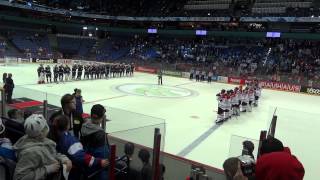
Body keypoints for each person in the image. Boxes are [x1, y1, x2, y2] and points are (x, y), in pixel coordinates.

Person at [50, 114, 109, 180]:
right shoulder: (68, 140)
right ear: (67, 126)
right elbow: (80, 156)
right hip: (72, 174)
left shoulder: (51, 135)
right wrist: (99, 162)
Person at [13, 114, 72, 180]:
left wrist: (64, 159)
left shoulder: (40, 139)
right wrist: (47, 169)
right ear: (42, 132)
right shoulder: (30, 152)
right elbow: (19, 178)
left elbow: (52, 153)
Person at [81, 104, 110, 180]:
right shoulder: (100, 134)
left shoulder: (84, 126)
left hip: (87, 164)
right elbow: (102, 155)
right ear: (101, 117)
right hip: (97, 169)